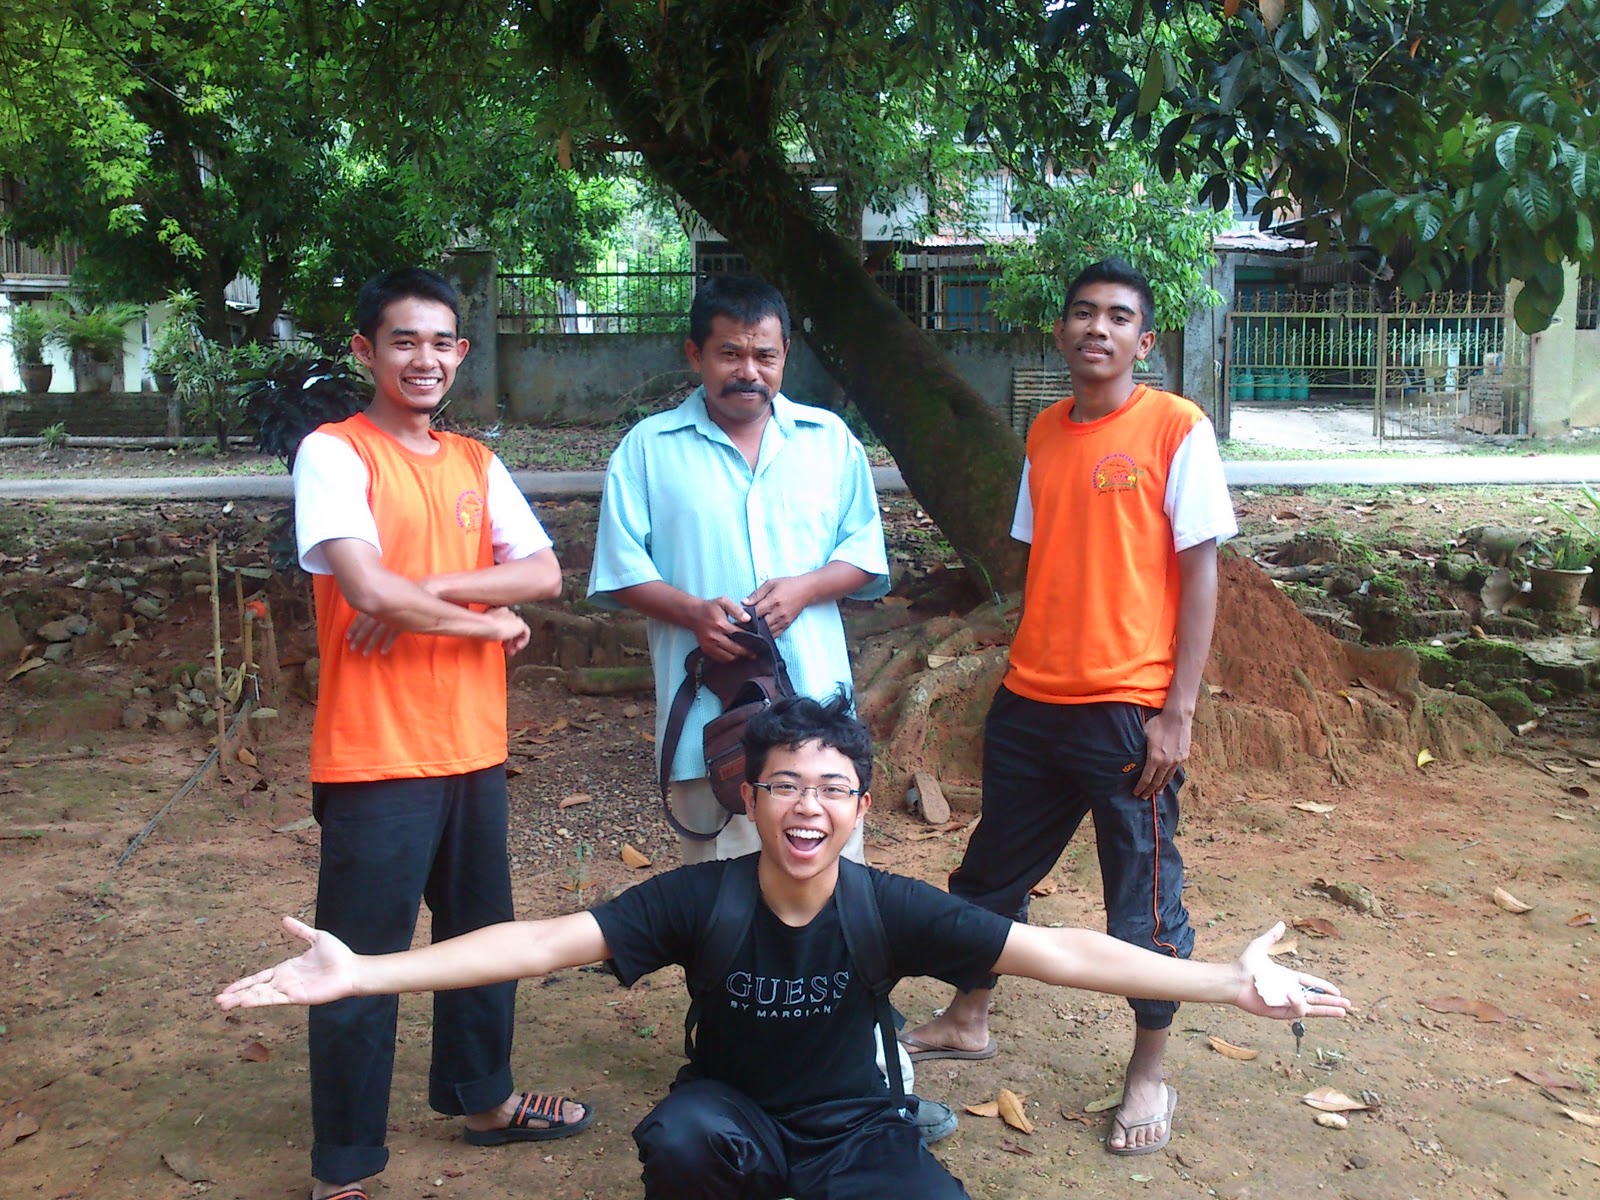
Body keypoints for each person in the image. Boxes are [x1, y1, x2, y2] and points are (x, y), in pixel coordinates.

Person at [217, 693, 1351, 1200]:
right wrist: (365, 970)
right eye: (785, 786)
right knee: (680, 1139)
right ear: (750, 800)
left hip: (859, 1126)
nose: (809, 808)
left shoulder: (890, 907)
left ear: (859, 805)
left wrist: (1224, 981)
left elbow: (1064, 952)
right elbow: (538, 942)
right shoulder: (698, 900)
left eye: (833, 788)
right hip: (733, 1121)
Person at [901, 257, 1239, 1157]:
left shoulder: (1177, 427)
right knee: (989, 877)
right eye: (1084, 313)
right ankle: (968, 1016)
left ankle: (1149, 1072)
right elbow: (1039, 559)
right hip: (1030, 701)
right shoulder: (1045, 432)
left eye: (1119, 317)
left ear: (1144, 340)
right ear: (1060, 331)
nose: (1098, 328)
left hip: (1127, 712)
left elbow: (1201, 574)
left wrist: (1178, 712)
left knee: (1144, 907)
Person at [287, 267, 590, 1200]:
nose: (424, 359)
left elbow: (541, 572)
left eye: (440, 342)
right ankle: (344, 1168)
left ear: (460, 352)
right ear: (365, 351)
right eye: (403, 341)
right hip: (376, 752)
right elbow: (364, 586)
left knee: (483, 937)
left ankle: (483, 1097)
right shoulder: (335, 452)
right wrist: (481, 624)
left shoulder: (473, 463)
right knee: (357, 961)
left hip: (473, 747)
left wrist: (436, 591)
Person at [587, 273, 889, 863]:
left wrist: (806, 589)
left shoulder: (829, 442)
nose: (748, 371)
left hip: (818, 715)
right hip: (710, 724)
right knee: (719, 888)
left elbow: (864, 555)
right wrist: (693, 613)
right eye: (730, 354)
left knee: (828, 881)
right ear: (695, 354)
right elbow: (621, 569)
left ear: (785, 356)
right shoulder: (649, 448)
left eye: (764, 356)